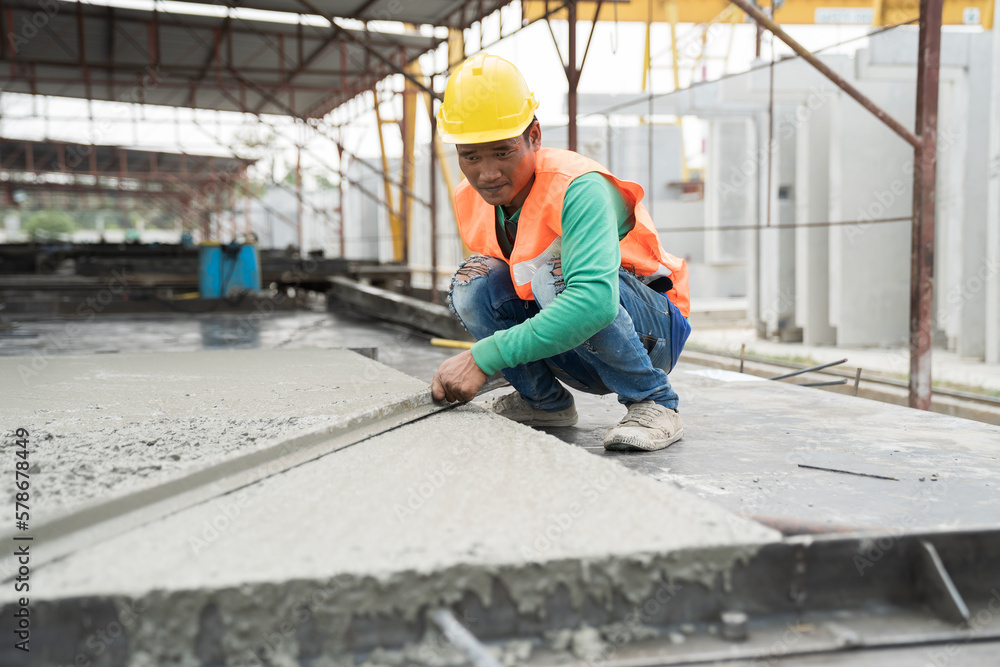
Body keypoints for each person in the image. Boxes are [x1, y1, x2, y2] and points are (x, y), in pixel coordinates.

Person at [430, 54, 691, 452]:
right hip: (572, 337)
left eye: (502, 152)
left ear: (534, 136)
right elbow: (506, 292)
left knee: (556, 277)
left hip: (649, 330)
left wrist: (485, 357)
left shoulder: (578, 186)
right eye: (470, 156)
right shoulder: (472, 197)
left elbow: (594, 303)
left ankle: (654, 401)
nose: (487, 173)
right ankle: (544, 403)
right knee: (474, 281)